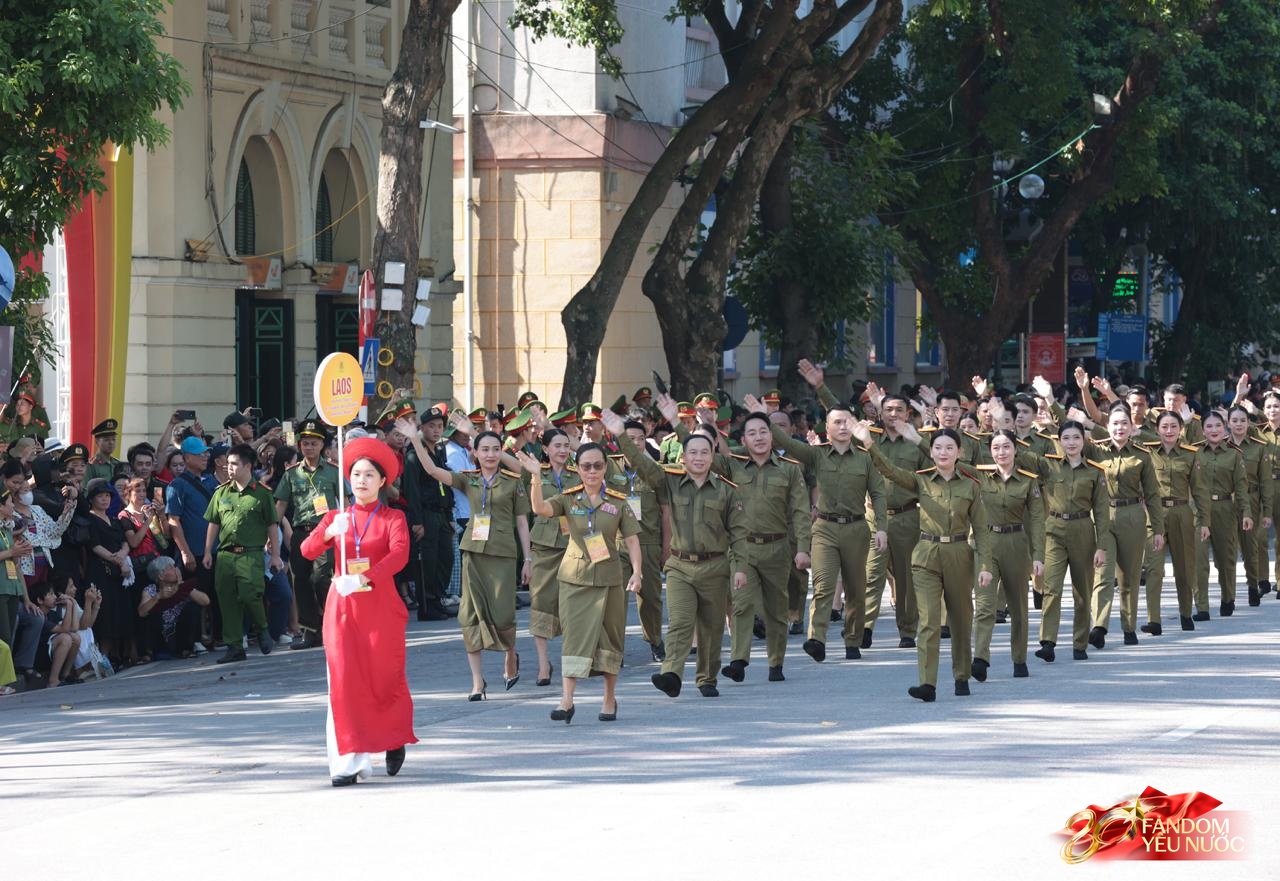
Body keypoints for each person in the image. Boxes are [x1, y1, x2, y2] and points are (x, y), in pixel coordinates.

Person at [601, 405, 747, 699]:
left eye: (704, 452)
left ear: (712, 456)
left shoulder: (726, 491)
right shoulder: (668, 483)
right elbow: (642, 465)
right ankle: (671, 674)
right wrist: (621, 436)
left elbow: (739, 533)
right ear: (683, 457)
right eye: (692, 452)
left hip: (715, 567)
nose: (698, 457)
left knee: (711, 626)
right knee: (680, 621)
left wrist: (740, 567)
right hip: (680, 566)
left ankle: (707, 677)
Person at [301, 437, 417, 786]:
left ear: (382, 482)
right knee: (344, 682)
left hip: (379, 606)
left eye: (369, 474)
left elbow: (399, 555)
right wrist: (327, 535)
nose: (361, 480)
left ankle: (393, 738)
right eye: (355, 473)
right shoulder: (336, 517)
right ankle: (348, 762)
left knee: (383, 679)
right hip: (342, 611)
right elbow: (306, 550)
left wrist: (366, 576)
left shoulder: (393, 517)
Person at [856, 421, 990, 701]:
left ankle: (961, 674)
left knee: (961, 619)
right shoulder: (921, 480)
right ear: (931, 451)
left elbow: (981, 529)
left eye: (949, 448)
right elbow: (889, 471)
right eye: (937, 447)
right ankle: (927, 683)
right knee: (929, 621)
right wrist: (869, 444)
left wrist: (985, 565)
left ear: (959, 452)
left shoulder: (972, 485)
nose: (943, 453)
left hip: (958, 554)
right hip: (926, 553)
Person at [398, 417, 529, 700]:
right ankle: (477, 682)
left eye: (495, 449)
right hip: (474, 552)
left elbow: (521, 520)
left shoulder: (512, 481)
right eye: (485, 450)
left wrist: (527, 559)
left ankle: (510, 656)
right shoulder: (467, 479)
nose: (491, 455)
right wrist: (416, 440)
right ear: (475, 453)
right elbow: (432, 470)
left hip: (504, 553)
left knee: (504, 613)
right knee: (469, 615)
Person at [767, 362, 887, 664]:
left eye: (847, 422)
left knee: (856, 590)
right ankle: (816, 639)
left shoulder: (865, 457)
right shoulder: (816, 454)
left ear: (854, 425)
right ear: (827, 428)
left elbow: (878, 493)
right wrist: (765, 417)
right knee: (822, 585)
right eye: (836, 423)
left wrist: (882, 527)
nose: (842, 427)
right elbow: (783, 442)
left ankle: (852, 639)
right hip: (825, 528)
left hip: (858, 529)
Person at [517, 444, 643, 722]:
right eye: (586, 466)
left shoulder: (619, 502)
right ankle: (566, 701)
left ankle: (609, 699)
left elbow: (632, 540)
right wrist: (536, 476)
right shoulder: (568, 499)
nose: (592, 471)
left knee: (610, 639)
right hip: (575, 578)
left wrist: (637, 572)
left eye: (598, 465)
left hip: (609, 578)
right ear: (578, 468)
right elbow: (539, 509)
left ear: (605, 467)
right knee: (573, 637)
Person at [697, 402, 810, 683]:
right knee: (742, 604)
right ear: (743, 439)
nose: (759, 437)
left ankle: (776, 662)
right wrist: (707, 424)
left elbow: (800, 511)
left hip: (778, 548)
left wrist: (804, 549)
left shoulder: (790, 470)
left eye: (764, 432)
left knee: (776, 608)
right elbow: (699, 453)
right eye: (752, 433)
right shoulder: (732, 465)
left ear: (772, 437)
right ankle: (739, 661)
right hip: (742, 549)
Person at [1016, 422, 1111, 662]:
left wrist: (1102, 546)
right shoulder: (1049, 466)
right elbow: (1018, 452)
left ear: (1084, 441)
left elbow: (1101, 511)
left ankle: (1080, 643)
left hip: (1082, 531)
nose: (1071, 442)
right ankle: (1047, 642)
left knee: (1082, 591)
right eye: (1066, 438)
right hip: (1054, 530)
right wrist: (1002, 422)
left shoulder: (1094, 472)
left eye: (1076, 438)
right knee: (1052, 588)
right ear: (1059, 441)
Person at [855, 386, 929, 650]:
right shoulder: (867, 439)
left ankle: (907, 630)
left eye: (899, 409)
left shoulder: (915, 443)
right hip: (874, 517)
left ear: (908, 413)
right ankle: (864, 628)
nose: (894, 414)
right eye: (888, 409)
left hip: (908, 516)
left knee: (906, 577)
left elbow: (939, 459)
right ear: (879, 413)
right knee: (872, 573)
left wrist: (921, 438)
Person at [973, 430, 1044, 679]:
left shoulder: (1027, 480)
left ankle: (1019, 659)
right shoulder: (980, 476)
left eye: (1006, 447)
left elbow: (1036, 520)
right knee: (984, 605)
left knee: (1018, 607)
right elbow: (946, 457)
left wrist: (1038, 556)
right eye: (995, 447)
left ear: (1016, 450)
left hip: (1016, 543)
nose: (1001, 452)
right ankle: (980, 657)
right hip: (987, 543)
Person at [203, 443, 283, 663]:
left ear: (247, 466)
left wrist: (275, 555)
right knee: (227, 601)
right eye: (228, 463)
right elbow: (213, 522)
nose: (229, 468)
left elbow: (272, 526)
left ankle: (263, 629)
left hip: (251, 554)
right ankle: (235, 646)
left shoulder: (262, 494)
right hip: (225, 555)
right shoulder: (221, 493)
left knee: (250, 594)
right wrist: (208, 551)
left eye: (234, 464)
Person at [1139, 410, 1211, 632]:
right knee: (1154, 568)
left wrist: (1205, 521)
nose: (1169, 431)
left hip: (1182, 512)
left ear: (1181, 428)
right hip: (1155, 514)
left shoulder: (1191, 454)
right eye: (1164, 427)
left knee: (1184, 566)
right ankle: (1154, 620)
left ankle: (1186, 613)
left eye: (1173, 426)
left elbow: (1200, 490)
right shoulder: (1147, 452)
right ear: (1157, 429)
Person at [606, 419, 668, 661]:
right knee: (616, 600)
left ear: (646, 440)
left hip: (648, 542)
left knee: (650, 597)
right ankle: (616, 649)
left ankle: (654, 639)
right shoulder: (610, 468)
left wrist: (666, 547)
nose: (635, 444)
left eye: (640, 439)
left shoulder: (655, 471)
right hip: (619, 542)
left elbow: (666, 512)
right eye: (629, 439)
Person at [274, 420, 340, 649]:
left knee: (322, 579)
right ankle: (310, 631)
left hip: (327, 533)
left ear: (322, 445)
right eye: (304, 444)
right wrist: (271, 531)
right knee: (300, 581)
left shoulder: (333, 472)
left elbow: (347, 501)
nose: (308, 448)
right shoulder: (292, 474)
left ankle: (333, 623)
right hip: (302, 534)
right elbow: (281, 504)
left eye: (313, 443)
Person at [519, 429, 575, 686]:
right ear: (546, 449)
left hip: (573, 546)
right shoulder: (534, 472)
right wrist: (527, 559)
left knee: (572, 606)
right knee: (540, 604)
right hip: (543, 546)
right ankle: (543, 665)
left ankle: (571, 661)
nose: (563, 450)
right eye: (557, 446)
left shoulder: (580, 474)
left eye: (566, 445)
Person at [400, 407, 455, 622]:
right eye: (431, 426)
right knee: (428, 562)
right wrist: (417, 521)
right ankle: (427, 605)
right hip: (426, 514)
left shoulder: (438, 453)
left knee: (445, 559)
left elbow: (446, 484)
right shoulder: (415, 455)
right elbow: (411, 490)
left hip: (441, 513)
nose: (436, 430)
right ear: (421, 428)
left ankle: (437, 599)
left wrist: (449, 515)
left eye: (440, 426)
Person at [1193, 410, 1250, 619]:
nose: (1214, 430)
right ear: (1203, 430)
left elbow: (1242, 488)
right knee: (1199, 560)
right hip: (1199, 511)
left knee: (1225, 560)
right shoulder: (1194, 452)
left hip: (1225, 509)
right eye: (1209, 426)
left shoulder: (1234, 454)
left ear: (1224, 427)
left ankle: (1228, 597)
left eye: (1217, 425)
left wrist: (1246, 513)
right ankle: (1202, 607)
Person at [165, 436, 219, 640]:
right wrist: (185, 552)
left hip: (216, 549)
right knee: (195, 596)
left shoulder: (211, 481)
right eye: (199, 454)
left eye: (206, 452)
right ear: (187, 457)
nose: (205, 457)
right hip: (194, 551)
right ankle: (193, 640)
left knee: (216, 595)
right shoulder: (177, 485)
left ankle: (218, 636)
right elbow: (174, 521)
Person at [80, 478, 135, 666]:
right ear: (91, 498)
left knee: (120, 612)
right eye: (100, 496)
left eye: (107, 496)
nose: (104, 499)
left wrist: (121, 556)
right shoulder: (89, 519)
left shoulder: (114, 519)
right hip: (99, 571)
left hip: (119, 571)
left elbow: (125, 543)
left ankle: (115, 655)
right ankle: (100, 657)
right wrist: (118, 560)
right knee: (104, 614)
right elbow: (94, 546)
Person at [1225, 405, 1272, 606]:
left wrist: (1267, 511)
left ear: (1248, 423)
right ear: (1228, 423)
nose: (1238, 424)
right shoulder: (1221, 446)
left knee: (1250, 547)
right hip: (1227, 502)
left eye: (1242, 420)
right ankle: (1229, 595)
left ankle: (1253, 586)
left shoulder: (1258, 447)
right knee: (1227, 550)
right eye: (1234, 421)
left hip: (1251, 501)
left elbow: (1266, 483)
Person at [137, 555, 210, 659]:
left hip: (180, 633)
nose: (176, 569)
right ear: (161, 576)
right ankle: (147, 653)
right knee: (148, 614)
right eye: (171, 568)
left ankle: (186, 648)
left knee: (193, 607)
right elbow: (141, 612)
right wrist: (158, 597)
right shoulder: (150, 590)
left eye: (175, 566)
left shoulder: (183, 586)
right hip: (162, 635)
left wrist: (183, 587)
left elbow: (206, 601)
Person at [84, 419, 122, 484]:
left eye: (113, 439)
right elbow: (86, 490)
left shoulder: (117, 464)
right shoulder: (91, 465)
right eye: (106, 440)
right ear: (97, 442)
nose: (111, 442)